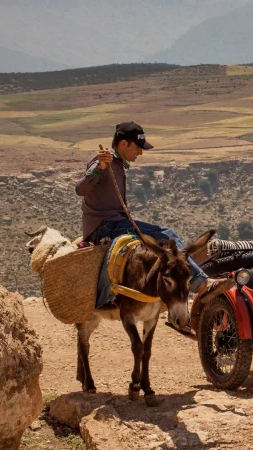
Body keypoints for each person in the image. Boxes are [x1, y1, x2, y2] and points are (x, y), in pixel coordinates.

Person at [75, 121, 233, 312]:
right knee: (166, 235)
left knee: (159, 243)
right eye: (138, 147)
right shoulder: (103, 162)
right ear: (124, 143)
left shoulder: (119, 165)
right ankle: (201, 284)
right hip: (104, 227)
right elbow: (81, 189)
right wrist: (99, 167)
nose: (140, 153)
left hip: (118, 222)